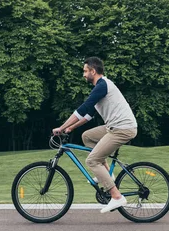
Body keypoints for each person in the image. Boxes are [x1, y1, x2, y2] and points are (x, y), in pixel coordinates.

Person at [53, 57, 138, 213]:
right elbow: (88, 115)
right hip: (114, 126)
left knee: (92, 160)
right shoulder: (100, 87)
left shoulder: (102, 85)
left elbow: (83, 108)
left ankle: (117, 197)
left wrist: (62, 126)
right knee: (87, 136)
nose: (84, 75)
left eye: (85, 71)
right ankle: (107, 175)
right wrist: (71, 128)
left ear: (93, 71)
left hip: (122, 128)